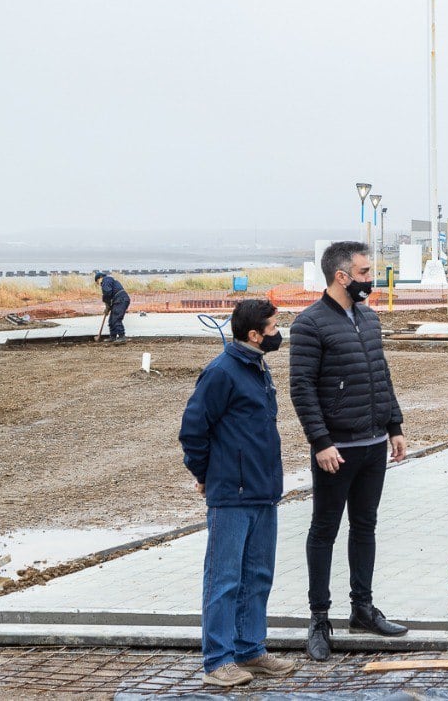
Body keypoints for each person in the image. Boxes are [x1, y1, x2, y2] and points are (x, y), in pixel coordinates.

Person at [289, 241, 407, 661]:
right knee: (324, 530)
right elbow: (301, 389)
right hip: (336, 450)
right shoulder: (310, 324)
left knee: (365, 527)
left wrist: (395, 426)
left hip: (374, 445)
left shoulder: (368, 318)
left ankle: (362, 609)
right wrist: (320, 442)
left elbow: (381, 375)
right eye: (363, 272)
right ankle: (319, 618)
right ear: (341, 276)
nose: (369, 279)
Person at [179, 299, 297, 687]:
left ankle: (250, 651)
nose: (279, 333)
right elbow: (194, 430)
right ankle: (218, 660)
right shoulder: (221, 373)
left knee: (258, 576)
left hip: (263, 491)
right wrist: (205, 474)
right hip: (232, 494)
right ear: (254, 335)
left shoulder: (257, 368)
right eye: (274, 327)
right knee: (224, 579)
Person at [95, 270, 130, 343]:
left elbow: (107, 293)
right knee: (111, 320)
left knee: (116, 318)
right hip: (118, 300)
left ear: (100, 277)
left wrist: (107, 304)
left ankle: (122, 337)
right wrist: (108, 307)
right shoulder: (110, 281)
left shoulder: (106, 280)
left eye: (98, 282)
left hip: (121, 300)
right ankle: (113, 337)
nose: (99, 284)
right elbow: (110, 295)